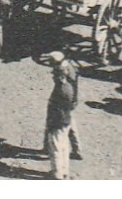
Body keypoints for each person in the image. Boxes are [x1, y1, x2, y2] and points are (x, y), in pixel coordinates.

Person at [44, 51, 80, 179]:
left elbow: (56, 109)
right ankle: (64, 172)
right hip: (66, 121)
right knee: (64, 147)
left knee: (56, 149)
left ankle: (57, 174)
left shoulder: (61, 91)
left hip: (58, 121)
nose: (53, 76)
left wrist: (51, 124)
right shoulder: (68, 87)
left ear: (61, 76)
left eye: (55, 74)